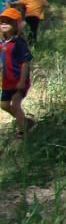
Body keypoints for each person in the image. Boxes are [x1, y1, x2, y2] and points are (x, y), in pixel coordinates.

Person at [0, 8, 33, 138]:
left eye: (8, 22)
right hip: (7, 81)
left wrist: (21, 81)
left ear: (15, 25)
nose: (3, 24)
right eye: (2, 21)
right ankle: (25, 122)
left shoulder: (19, 42)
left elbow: (25, 62)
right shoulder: (3, 42)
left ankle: (22, 133)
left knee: (15, 104)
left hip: (19, 80)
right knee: (4, 105)